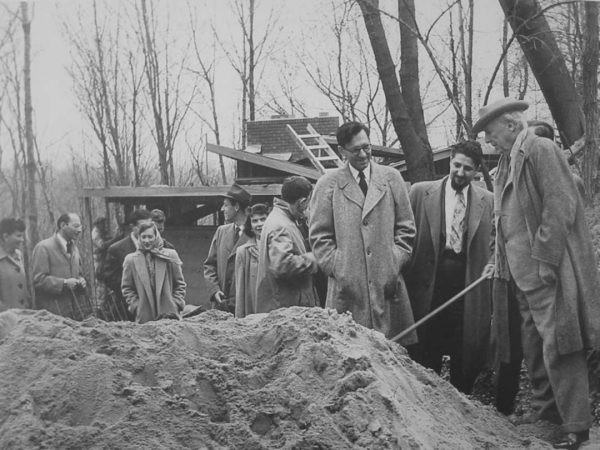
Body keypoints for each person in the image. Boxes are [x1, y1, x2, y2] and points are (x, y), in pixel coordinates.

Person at [473, 98, 600, 450]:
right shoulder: (506, 160)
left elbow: (559, 206)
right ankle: (547, 416)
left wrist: (545, 260)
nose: (488, 140)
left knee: (562, 346)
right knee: (537, 348)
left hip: (548, 272)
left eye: (490, 132)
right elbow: (505, 221)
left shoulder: (541, 149)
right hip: (520, 275)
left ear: (512, 125)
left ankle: (576, 427)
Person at [309, 121, 417, 344]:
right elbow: (319, 236)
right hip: (347, 290)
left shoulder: (391, 178)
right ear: (342, 151)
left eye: (367, 147)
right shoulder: (328, 184)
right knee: (349, 356)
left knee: (393, 356)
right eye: (355, 149)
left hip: (387, 286)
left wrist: (394, 261)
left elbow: (407, 227)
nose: (363, 154)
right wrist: (339, 267)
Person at [404, 140, 495, 394]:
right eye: (456, 165)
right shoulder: (421, 193)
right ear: (450, 161)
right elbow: (404, 234)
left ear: (477, 170)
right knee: (426, 346)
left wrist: (493, 263)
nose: (460, 172)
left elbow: (498, 241)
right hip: (429, 282)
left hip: (468, 283)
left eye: (467, 168)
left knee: (464, 347)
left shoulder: (488, 201)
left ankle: (461, 400)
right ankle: (426, 399)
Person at [256, 176, 319, 312]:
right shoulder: (281, 225)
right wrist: (313, 259)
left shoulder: (282, 219)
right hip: (286, 310)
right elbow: (282, 264)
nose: (308, 208)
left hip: (286, 307)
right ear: (301, 202)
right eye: (308, 202)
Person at [121, 222, 186, 323]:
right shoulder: (131, 260)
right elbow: (127, 288)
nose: (147, 241)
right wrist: (136, 306)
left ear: (156, 237)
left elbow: (180, 284)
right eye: (143, 237)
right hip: (144, 317)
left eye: (150, 237)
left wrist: (176, 303)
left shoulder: (169, 256)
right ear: (139, 238)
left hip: (169, 315)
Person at [204, 183, 251, 314]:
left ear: (236, 207)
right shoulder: (221, 232)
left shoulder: (256, 234)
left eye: (225, 205)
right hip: (222, 306)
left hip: (246, 307)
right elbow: (209, 266)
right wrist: (214, 290)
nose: (222, 209)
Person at [31, 213, 88, 320]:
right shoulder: (43, 247)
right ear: (63, 225)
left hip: (76, 314)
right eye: (76, 226)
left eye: (80, 226)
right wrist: (65, 283)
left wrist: (81, 280)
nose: (80, 230)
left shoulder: (75, 248)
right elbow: (38, 280)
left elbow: (79, 273)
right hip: (52, 316)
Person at [103, 209, 153, 320]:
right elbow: (109, 277)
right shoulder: (117, 249)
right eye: (143, 226)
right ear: (133, 227)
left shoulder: (158, 246)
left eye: (150, 226)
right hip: (125, 308)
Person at [234, 203, 268, 318]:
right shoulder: (243, 252)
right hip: (254, 313)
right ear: (250, 226)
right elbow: (240, 292)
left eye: (263, 219)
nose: (259, 224)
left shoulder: (278, 247)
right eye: (255, 221)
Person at [0, 218, 30, 310]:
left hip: (22, 318)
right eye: (18, 236)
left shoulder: (18, 255)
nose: (22, 240)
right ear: (6, 237)